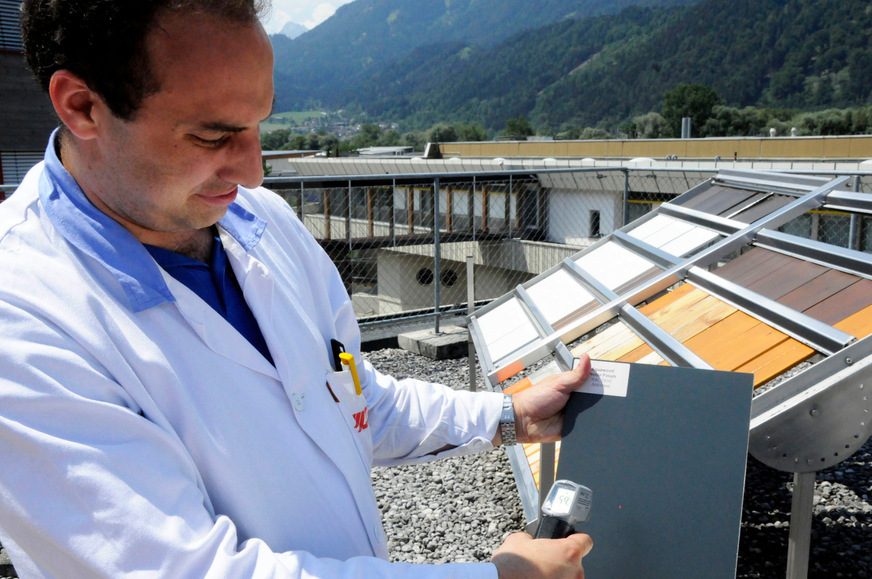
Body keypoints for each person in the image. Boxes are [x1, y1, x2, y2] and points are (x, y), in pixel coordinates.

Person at [0, 1, 593, 577]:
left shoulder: (263, 224)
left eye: (260, 123)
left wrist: (506, 416)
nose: (254, 171)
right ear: (82, 107)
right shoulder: (23, 319)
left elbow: (349, 397)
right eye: (213, 137)